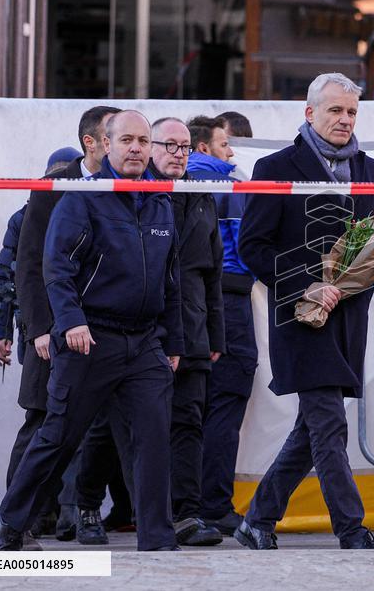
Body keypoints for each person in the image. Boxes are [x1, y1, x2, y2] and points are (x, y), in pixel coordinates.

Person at [0, 110, 183, 552]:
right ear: (105, 146)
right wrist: (71, 321)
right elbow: (55, 268)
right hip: (90, 338)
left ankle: (158, 539)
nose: (136, 148)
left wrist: (173, 340)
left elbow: (171, 280)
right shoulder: (80, 198)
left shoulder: (160, 202)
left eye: (143, 140)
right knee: (59, 435)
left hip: (145, 342)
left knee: (153, 439)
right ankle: (11, 516)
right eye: (127, 140)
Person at [236, 73, 374, 550]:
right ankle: (351, 529)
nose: (344, 119)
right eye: (335, 110)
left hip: (351, 319)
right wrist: (305, 286)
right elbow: (253, 245)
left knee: (311, 428)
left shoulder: (371, 169)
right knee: (329, 425)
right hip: (301, 317)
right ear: (310, 112)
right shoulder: (275, 166)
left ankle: (257, 520)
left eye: (351, 111)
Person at [13, 107, 130, 542]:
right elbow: (29, 264)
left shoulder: (132, 186)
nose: (127, 143)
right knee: (42, 425)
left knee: (98, 430)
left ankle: (77, 513)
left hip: (111, 333)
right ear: (93, 143)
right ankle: (18, 519)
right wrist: (40, 328)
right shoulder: (53, 187)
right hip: (54, 332)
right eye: (114, 135)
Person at [0, 147, 80, 550]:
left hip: (79, 331)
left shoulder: (87, 207)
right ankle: (20, 516)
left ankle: (64, 514)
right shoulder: (28, 215)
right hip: (42, 335)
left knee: (75, 429)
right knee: (41, 422)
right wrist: (0, 331)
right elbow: (8, 275)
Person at [147, 117, 225, 546]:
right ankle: (86, 507)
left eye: (185, 147)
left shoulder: (200, 194)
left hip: (193, 326)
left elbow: (212, 271)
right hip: (143, 325)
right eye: (170, 145)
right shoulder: (134, 189)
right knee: (125, 425)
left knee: (189, 421)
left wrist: (216, 333)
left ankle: (186, 514)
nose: (178, 154)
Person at [188, 114, 259, 536]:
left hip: (187, 304)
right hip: (229, 302)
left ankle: (186, 504)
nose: (232, 154)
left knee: (191, 408)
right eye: (225, 145)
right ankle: (215, 504)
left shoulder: (169, 183)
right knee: (226, 404)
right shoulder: (226, 186)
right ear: (205, 149)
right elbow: (246, 246)